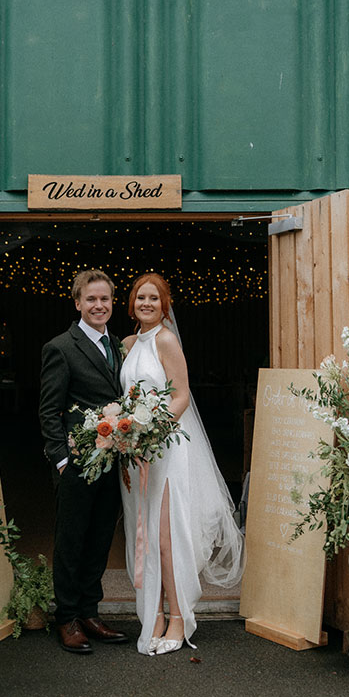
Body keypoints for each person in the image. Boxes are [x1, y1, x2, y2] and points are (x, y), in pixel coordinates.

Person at [119, 273, 245, 655]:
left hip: (166, 449)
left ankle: (178, 618)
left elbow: (181, 395)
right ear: (132, 303)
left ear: (164, 306)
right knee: (141, 535)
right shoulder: (126, 344)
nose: (146, 303)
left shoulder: (167, 341)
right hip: (136, 455)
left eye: (153, 299)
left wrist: (151, 434)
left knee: (165, 537)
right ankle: (153, 614)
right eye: (141, 297)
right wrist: (126, 438)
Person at [38, 269, 130, 654]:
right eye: (91, 299)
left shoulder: (122, 347)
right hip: (77, 463)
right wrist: (62, 462)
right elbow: (48, 411)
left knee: (100, 539)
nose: (99, 306)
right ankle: (68, 618)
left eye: (105, 299)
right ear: (77, 303)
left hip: (113, 460)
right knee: (71, 541)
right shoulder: (61, 347)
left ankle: (91, 612)